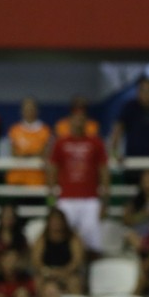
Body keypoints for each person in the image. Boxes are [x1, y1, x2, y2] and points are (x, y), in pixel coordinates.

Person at [47, 108, 109, 254]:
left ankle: (91, 267)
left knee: (91, 236)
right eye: (76, 119)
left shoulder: (96, 143)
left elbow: (104, 171)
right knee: (62, 233)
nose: (78, 123)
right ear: (70, 122)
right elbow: (53, 169)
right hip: (66, 198)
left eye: (82, 120)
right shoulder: (60, 143)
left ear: (86, 123)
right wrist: (51, 199)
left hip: (90, 198)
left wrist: (105, 200)